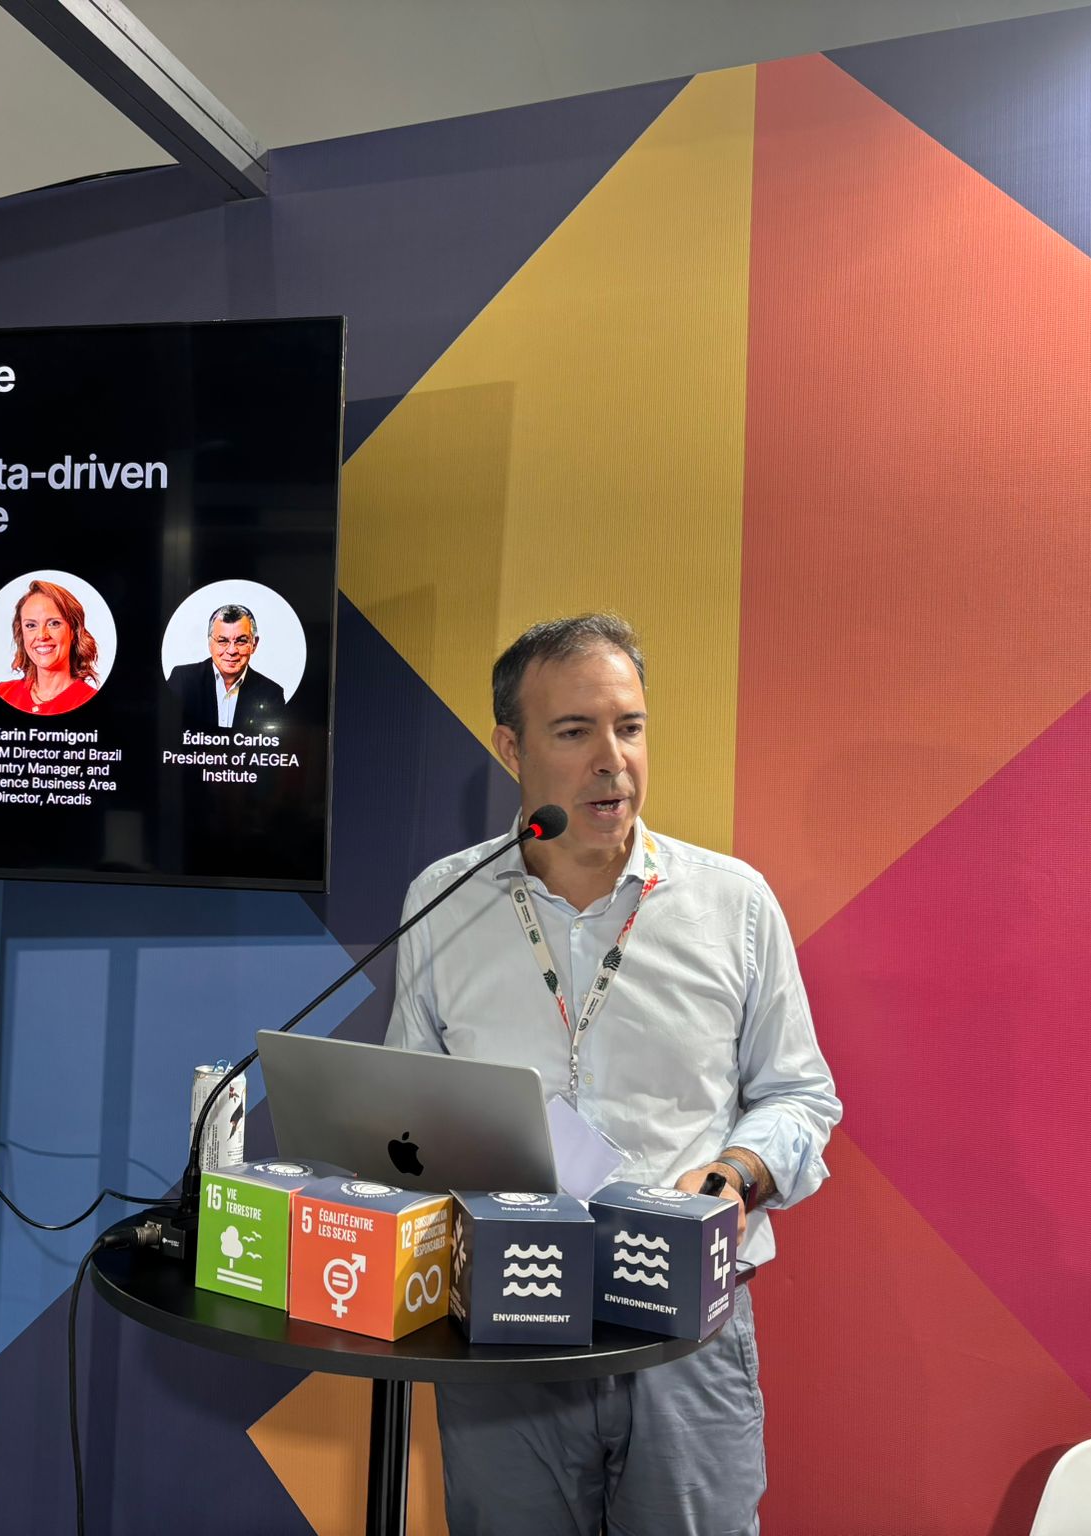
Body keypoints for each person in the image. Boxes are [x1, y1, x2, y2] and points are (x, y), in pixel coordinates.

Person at [384, 613, 841, 1536]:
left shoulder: (733, 904)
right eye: (574, 731)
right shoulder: (443, 902)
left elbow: (800, 1094)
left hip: (683, 1334)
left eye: (629, 727)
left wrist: (739, 1172)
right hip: (504, 1325)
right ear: (511, 748)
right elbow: (405, 1109)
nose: (613, 760)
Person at [165, 603, 286, 732]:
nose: (232, 650)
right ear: (210, 643)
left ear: (254, 644)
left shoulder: (271, 694)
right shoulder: (183, 680)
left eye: (241, 641)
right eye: (223, 641)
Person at [0, 578, 101, 715]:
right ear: (22, 634)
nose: (41, 635)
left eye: (54, 623)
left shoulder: (90, 700)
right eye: (31, 625)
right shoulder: (3, 693)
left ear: (74, 631)